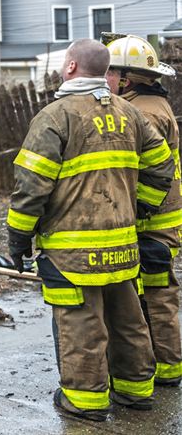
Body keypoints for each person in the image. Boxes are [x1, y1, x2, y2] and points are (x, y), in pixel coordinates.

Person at [6, 38, 175, 421]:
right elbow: (163, 165)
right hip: (122, 248)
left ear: (69, 68)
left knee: (82, 327)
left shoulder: (55, 117)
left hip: (72, 253)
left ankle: (85, 402)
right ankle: (135, 393)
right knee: (127, 321)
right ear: (106, 72)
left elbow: (31, 185)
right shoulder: (131, 115)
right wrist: (141, 204)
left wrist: (19, 236)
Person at [105, 34, 182, 387]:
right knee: (155, 295)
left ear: (126, 77)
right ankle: (163, 366)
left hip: (152, 222)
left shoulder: (142, 111)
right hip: (159, 219)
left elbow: (142, 169)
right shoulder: (152, 103)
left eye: (111, 72)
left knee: (156, 297)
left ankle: (166, 370)